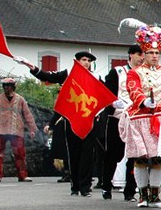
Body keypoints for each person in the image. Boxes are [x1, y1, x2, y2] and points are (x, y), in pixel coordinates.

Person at [16, 50, 102, 196]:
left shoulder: (96, 77)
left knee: (87, 155)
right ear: (77, 61)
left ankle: (85, 187)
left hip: (89, 121)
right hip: (71, 120)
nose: (86, 63)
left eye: (89, 61)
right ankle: (75, 186)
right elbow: (47, 77)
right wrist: (29, 65)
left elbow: (104, 96)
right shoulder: (68, 74)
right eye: (84, 60)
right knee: (73, 154)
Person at [121, 25, 161, 208]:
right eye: (150, 52)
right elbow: (133, 89)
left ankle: (155, 195)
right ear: (144, 54)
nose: (154, 56)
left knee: (159, 157)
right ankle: (142, 195)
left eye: (157, 52)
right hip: (141, 117)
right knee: (141, 157)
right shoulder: (135, 72)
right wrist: (143, 100)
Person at [100, 44, 144, 200]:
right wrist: (113, 103)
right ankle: (106, 186)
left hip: (137, 119)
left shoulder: (145, 73)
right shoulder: (118, 72)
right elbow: (106, 93)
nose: (142, 57)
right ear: (131, 55)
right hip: (118, 118)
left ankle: (130, 190)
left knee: (134, 155)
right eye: (139, 54)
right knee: (113, 154)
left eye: (143, 54)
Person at [0, 78, 37, 182]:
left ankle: (23, 175)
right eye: (4, 85)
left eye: (8, 85)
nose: (6, 88)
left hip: (16, 131)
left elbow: (27, 114)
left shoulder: (20, 99)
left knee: (20, 154)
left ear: (13, 87)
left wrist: (32, 128)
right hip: (0, 130)